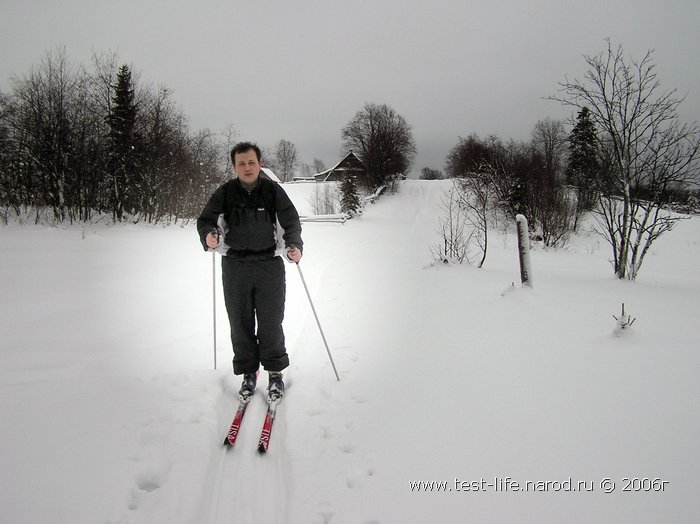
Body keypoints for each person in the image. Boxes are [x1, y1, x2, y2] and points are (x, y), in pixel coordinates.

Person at [197, 142, 303, 402]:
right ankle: (248, 372)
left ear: (260, 164)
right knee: (240, 321)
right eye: (241, 163)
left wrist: (294, 245)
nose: (247, 167)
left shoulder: (272, 191)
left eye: (251, 162)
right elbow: (206, 220)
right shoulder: (225, 192)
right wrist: (209, 237)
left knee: (270, 320)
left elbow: (290, 221)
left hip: (269, 265)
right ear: (234, 166)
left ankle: (275, 372)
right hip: (235, 266)